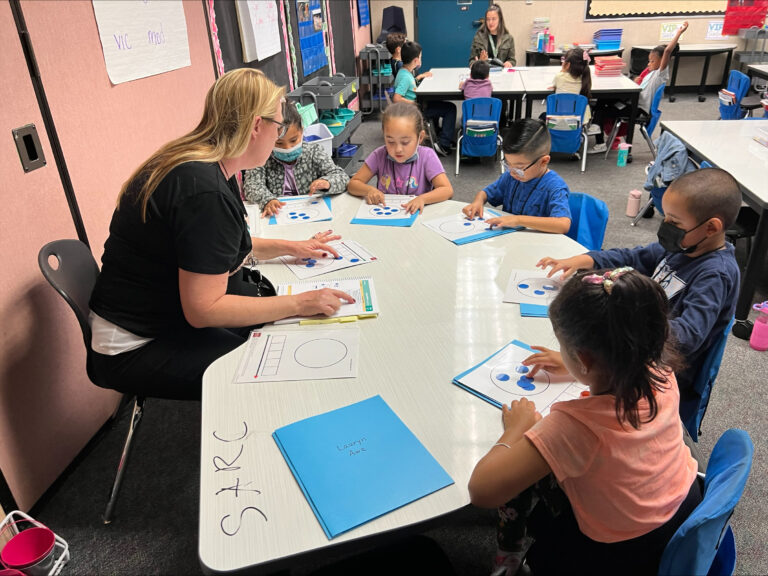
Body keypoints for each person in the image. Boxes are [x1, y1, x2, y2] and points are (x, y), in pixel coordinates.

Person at [88, 69, 354, 401]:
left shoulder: (208, 162)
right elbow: (204, 310)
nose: (279, 135)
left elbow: (215, 248)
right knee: (280, 372)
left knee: (273, 317)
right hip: (135, 346)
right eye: (279, 126)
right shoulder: (203, 192)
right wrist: (299, 303)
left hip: (155, 314)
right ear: (257, 126)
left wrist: (291, 246)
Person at [469, 268, 701, 576]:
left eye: (564, 349)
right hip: (680, 511)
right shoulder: (662, 374)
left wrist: (516, 430)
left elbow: (482, 491)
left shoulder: (572, 427)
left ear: (584, 359)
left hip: (617, 553)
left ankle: (509, 557)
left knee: (523, 465)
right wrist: (579, 366)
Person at [536, 168, 741, 424]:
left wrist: (609, 349)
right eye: (665, 218)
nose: (665, 227)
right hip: (638, 349)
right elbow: (633, 257)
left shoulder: (715, 276)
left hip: (660, 376)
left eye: (675, 223)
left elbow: (688, 337)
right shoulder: (683, 247)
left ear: (711, 227)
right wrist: (585, 259)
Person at [590, 22, 688, 153]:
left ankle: (600, 140)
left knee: (601, 111)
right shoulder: (650, 73)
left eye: (652, 61)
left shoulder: (661, 74)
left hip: (637, 110)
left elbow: (667, 51)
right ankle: (596, 127)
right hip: (633, 103)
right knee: (602, 101)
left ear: (663, 61)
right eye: (649, 60)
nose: (649, 64)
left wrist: (679, 32)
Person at [462, 119, 571, 234]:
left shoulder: (555, 187)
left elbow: (563, 224)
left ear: (543, 161)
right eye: (507, 164)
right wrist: (478, 202)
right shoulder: (511, 177)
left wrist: (518, 220)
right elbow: (486, 193)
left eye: (519, 168)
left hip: (538, 245)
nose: (512, 172)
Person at [243, 100, 349, 217]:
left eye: (293, 140)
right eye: (278, 143)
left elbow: (341, 177)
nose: (288, 148)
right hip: (278, 215)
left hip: (311, 212)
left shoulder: (314, 151)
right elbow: (251, 186)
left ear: (302, 131)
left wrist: (327, 182)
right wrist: (267, 200)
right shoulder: (262, 157)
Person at [347, 102, 453, 214]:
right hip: (386, 216)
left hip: (416, 216)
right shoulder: (379, 155)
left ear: (420, 137)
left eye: (405, 142)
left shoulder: (427, 156)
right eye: (390, 141)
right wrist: (369, 190)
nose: (398, 149)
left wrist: (422, 199)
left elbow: (447, 190)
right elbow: (353, 184)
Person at [393, 40, 455, 157]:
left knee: (437, 102)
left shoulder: (404, 72)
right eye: (420, 57)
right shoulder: (406, 77)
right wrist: (413, 103)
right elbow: (396, 98)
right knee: (450, 108)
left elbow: (409, 86)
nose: (421, 59)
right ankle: (444, 145)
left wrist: (420, 77)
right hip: (416, 110)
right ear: (416, 61)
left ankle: (440, 135)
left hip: (417, 106)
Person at [550, 47, 593, 125]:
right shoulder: (585, 79)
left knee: (542, 116)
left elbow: (555, 85)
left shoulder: (560, 77)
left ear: (567, 64)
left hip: (559, 121)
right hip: (580, 122)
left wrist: (563, 70)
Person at [469, 4, 516, 68]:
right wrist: (480, 62)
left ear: (500, 20)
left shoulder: (508, 38)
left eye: (494, 19)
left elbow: (512, 60)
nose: (490, 22)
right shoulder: (478, 37)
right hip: (484, 74)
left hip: (502, 75)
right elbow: (471, 61)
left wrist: (509, 63)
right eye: (488, 19)